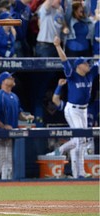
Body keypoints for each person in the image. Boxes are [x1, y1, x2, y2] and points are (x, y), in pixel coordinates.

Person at [53, 35, 99, 178]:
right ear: (79, 65)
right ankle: (79, 173)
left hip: (83, 110)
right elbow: (64, 60)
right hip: (72, 109)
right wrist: (57, 46)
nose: (88, 65)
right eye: (85, 63)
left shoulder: (90, 74)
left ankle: (59, 151)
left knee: (82, 140)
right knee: (80, 140)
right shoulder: (72, 74)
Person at [0, 71, 34, 180]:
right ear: (3, 81)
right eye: (10, 78)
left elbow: (19, 113)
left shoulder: (14, 96)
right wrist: (3, 126)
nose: (13, 79)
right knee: (1, 158)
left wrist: (26, 118)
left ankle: (6, 181)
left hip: (10, 133)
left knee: (8, 159)